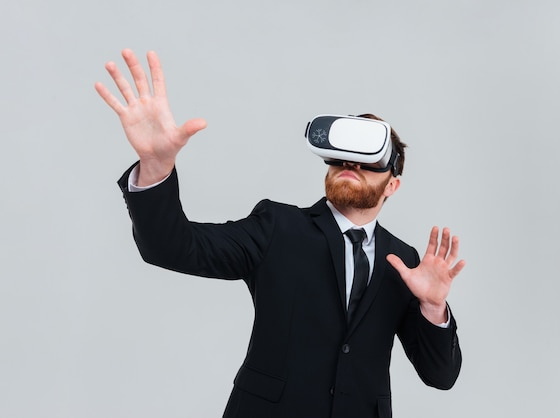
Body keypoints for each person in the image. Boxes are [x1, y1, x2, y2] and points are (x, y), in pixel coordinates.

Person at [95, 49, 466, 418]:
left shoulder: (404, 264)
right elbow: (172, 247)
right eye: (341, 152)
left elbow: (441, 376)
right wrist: (156, 168)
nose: (351, 161)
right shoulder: (277, 228)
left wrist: (433, 308)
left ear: (392, 187)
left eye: (368, 157)